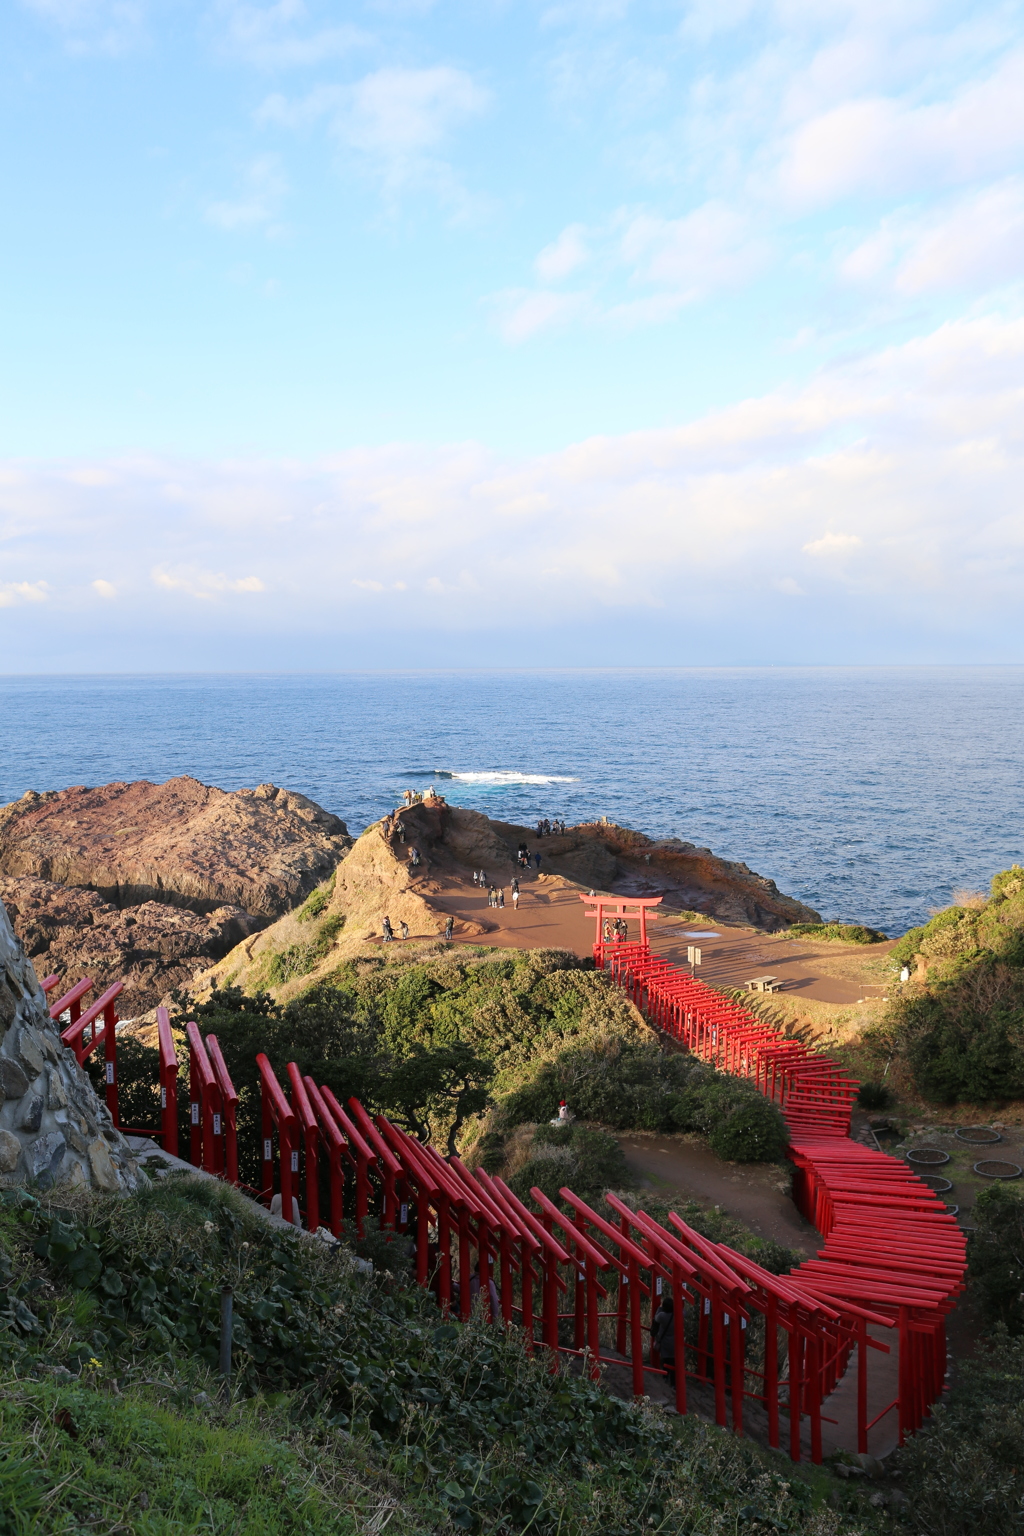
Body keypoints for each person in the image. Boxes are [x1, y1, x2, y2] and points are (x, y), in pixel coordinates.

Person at [650, 1295, 676, 1387]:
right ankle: (673, 1383)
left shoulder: (662, 1316)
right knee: (673, 1362)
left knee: (665, 1359)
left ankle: (665, 1377)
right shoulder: (677, 1315)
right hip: (675, 1342)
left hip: (665, 1341)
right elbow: (685, 1312)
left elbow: (656, 1317)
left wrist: (660, 1308)